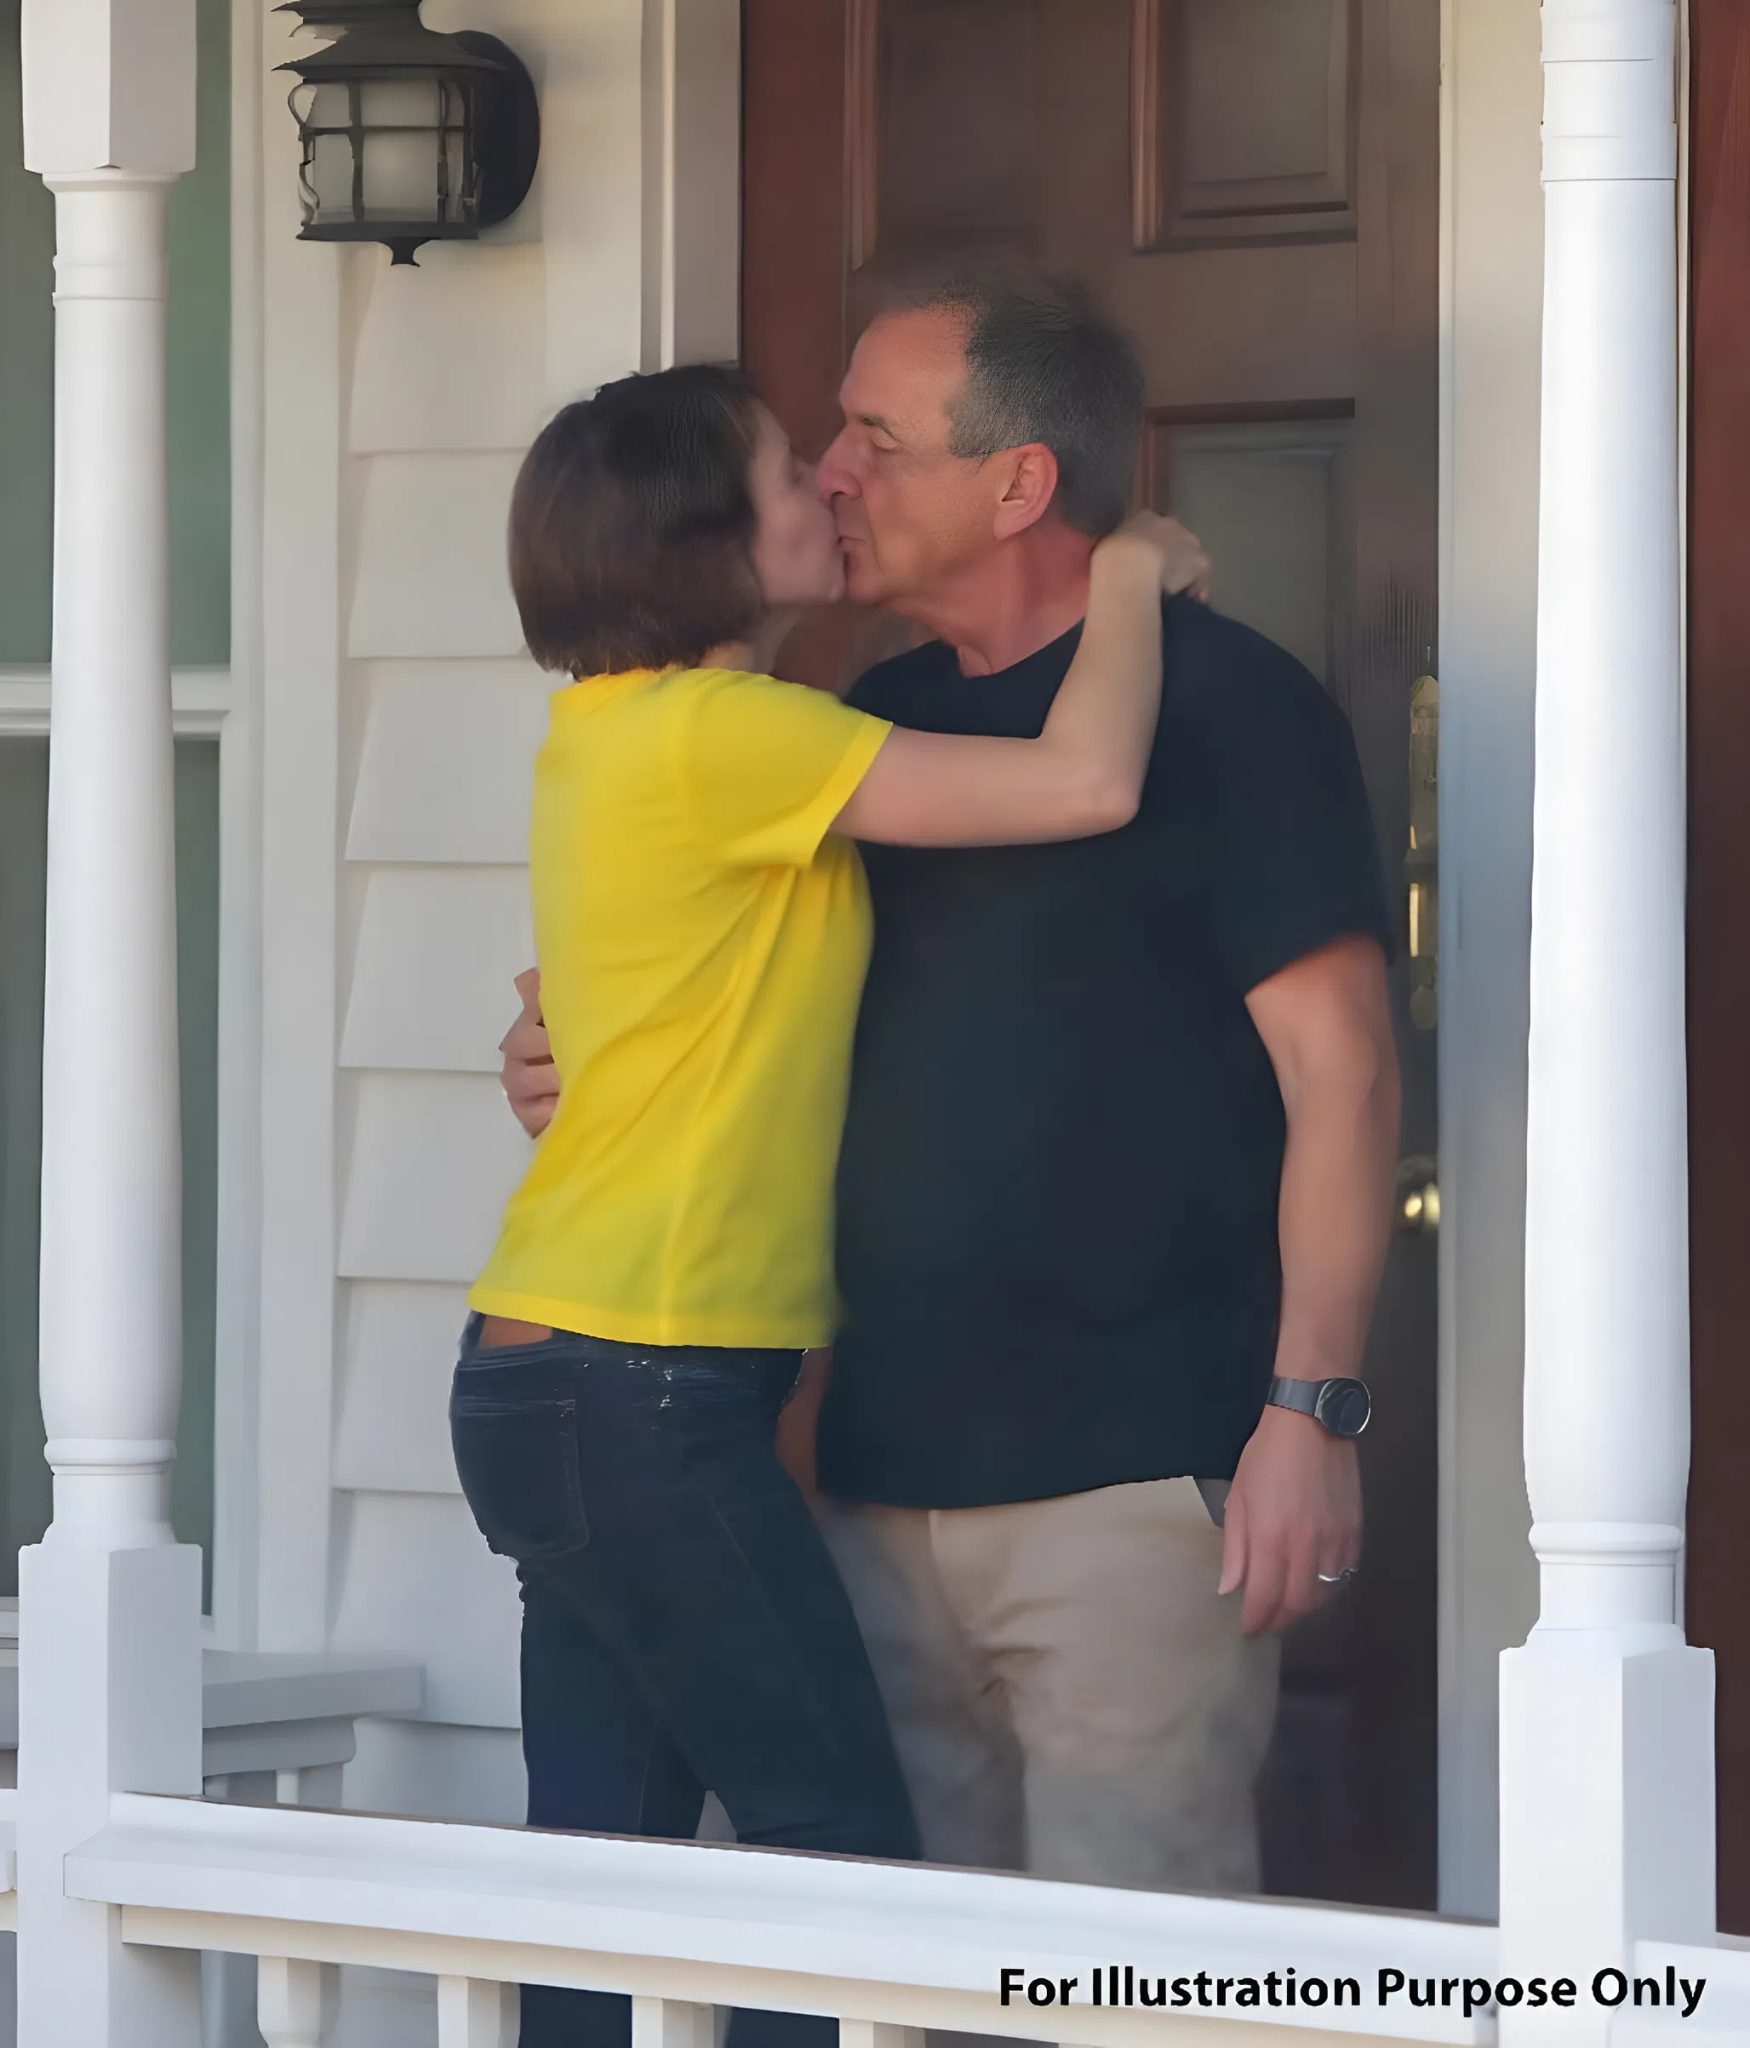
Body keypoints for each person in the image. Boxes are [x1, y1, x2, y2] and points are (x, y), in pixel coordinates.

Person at [501, 265, 1398, 1899]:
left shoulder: (1231, 710)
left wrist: (1309, 1411)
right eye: (823, 446)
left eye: (873, 438)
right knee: (882, 1971)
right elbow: (721, 992)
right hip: (859, 1484)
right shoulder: (862, 727)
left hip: (1129, 1492)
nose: (834, 473)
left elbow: (1342, 1079)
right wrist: (572, 1054)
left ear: (1016, 482)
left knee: (1128, 1985)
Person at [452, 358, 1206, 2048]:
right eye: (791, 475)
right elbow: (1085, 783)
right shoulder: (727, 735)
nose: (829, 489)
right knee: (831, 1872)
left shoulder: (611, 735)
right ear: (706, 540)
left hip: (549, 1377)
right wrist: (1130, 569)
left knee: (600, 1888)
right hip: (644, 1383)